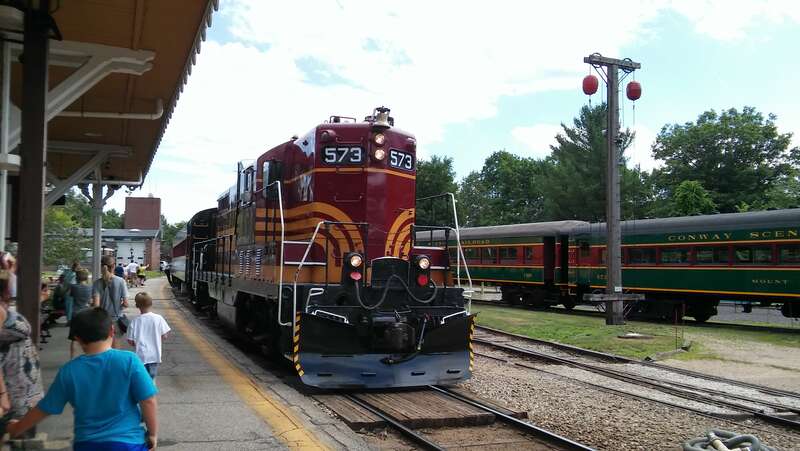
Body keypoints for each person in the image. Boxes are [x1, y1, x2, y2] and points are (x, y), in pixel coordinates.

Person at [6, 308, 158, 450]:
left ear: (78, 339)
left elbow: (45, 408)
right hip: (128, 443)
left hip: (86, 444)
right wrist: (152, 433)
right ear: (112, 331)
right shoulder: (129, 361)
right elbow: (148, 400)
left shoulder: (69, 371)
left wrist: (17, 428)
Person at [0, 252, 44, 433]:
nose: (14, 271)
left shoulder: (3, 306)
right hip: (13, 393)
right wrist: (2, 395)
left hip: (22, 392)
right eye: (9, 267)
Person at [127, 293, 170, 382]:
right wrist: (157, 339)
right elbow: (165, 335)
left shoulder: (135, 321)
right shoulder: (159, 318)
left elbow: (130, 341)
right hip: (154, 355)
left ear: (136, 305)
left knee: (141, 379)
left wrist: (137, 342)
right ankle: (151, 393)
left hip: (140, 356)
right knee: (151, 378)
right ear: (151, 303)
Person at [93, 255, 129, 349]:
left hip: (102, 320)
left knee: (103, 347)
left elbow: (96, 305)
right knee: (116, 348)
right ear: (114, 266)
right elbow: (126, 303)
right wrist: (119, 306)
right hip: (116, 319)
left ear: (102, 266)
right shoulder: (121, 281)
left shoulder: (97, 283)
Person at [68, 269, 93, 358]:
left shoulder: (74, 287)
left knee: (74, 339)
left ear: (77, 277)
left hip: (76, 314)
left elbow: (70, 295)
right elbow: (91, 301)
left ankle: (72, 358)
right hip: (87, 314)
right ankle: (88, 356)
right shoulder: (90, 287)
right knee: (87, 338)